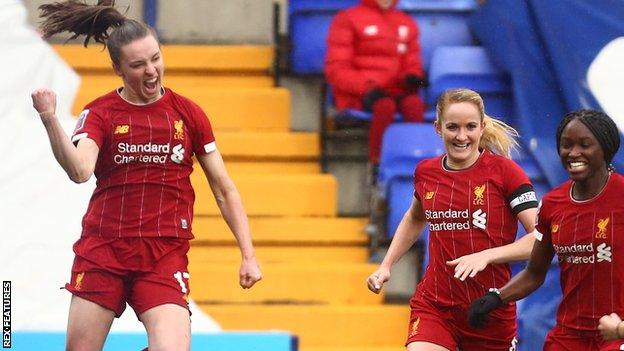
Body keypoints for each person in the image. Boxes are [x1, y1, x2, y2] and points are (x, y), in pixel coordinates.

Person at [31, 1, 262, 350]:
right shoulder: (101, 113)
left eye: (155, 58)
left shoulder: (189, 115)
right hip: (104, 250)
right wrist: (50, 118)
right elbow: (80, 171)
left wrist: (248, 253)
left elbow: (224, 189)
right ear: (118, 69)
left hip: (162, 253)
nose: (151, 70)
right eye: (138, 65)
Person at [366, 88, 539, 351]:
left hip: (489, 307)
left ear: (482, 127)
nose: (461, 136)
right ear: (438, 128)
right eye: (452, 127)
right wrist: (386, 265)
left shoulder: (506, 173)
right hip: (435, 304)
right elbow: (414, 217)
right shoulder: (426, 172)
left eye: (470, 127)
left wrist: (487, 255)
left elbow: (541, 238)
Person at [468, 109, 624, 350]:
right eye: (566, 145)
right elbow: (534, 273)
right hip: (569, 336)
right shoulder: (552, 204)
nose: (573, 153)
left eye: (585, 145)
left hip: (617, 334)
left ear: (606, 148)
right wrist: (496, 297)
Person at [325, 0, 427, 166]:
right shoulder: (347, 19)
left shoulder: (406, 22)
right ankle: (377, 166)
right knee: (384, 106)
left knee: (414, 104)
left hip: (394, 90)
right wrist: (365, 88)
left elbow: (412, 62)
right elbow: (336, 69)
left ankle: (418, 165)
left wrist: (412, 76)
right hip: (358, 92)